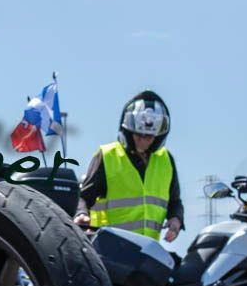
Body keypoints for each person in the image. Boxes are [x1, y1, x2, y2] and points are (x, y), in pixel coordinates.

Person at [74, 91, 184, 242]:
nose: (144, 140)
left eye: (149, 136)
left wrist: (176, 219)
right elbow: (84, 197)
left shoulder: (166, 160)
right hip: (109, 250)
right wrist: (81, 213)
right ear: (128, 130)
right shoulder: (107, 156)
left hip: (148, 250)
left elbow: (175, 201)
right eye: (139, 134)